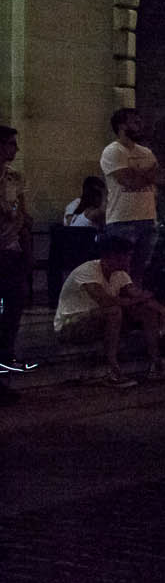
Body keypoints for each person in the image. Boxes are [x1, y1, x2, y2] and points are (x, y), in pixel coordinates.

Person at [54, 235, 165, 387]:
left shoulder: (120, 274)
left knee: (146, 311)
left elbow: (137, 295)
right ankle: (111, 369)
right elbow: (105, 301)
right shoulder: (87, 271)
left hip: (99, 322)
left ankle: (156, 363)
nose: (128, 260)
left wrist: (164, 312)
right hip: (71, 324)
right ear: (111, 256)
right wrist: (136, 300)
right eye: (125, 256)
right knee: (113, 311)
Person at [100, 108, 165, 286]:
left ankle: (135, 301)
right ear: (122, 126)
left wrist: (138, 174)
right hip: (122, 219)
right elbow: (129, 182)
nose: (140, 125)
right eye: (135, 122)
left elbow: (161, 178)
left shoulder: (146, 152)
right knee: (119, 270)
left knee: (140, 270)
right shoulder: (113, 151)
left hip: (147, 217)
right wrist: (148, 174)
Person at [0, 126, 31, 405]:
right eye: (10, 144)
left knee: (11, 316)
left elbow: (20, 212)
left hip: (10, 251)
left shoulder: (13, 178)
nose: (16, 149)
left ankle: (3, 376)